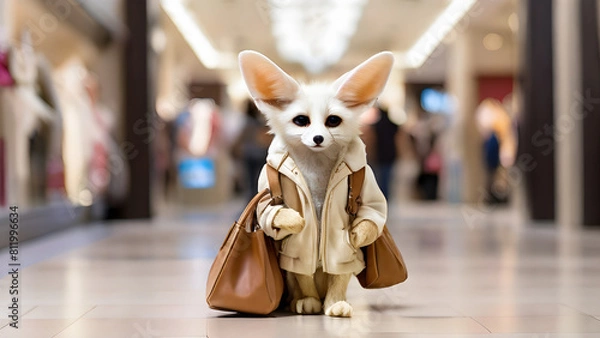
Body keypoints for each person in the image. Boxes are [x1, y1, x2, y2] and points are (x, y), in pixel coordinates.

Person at [232, 100, 272, 199]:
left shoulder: (247, 122)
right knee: (257, 179)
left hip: (249, 154)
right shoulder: (259, 123)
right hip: (259, 153)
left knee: (250, 180)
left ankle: (252, 199)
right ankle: (255, 197)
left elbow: (241, 138)